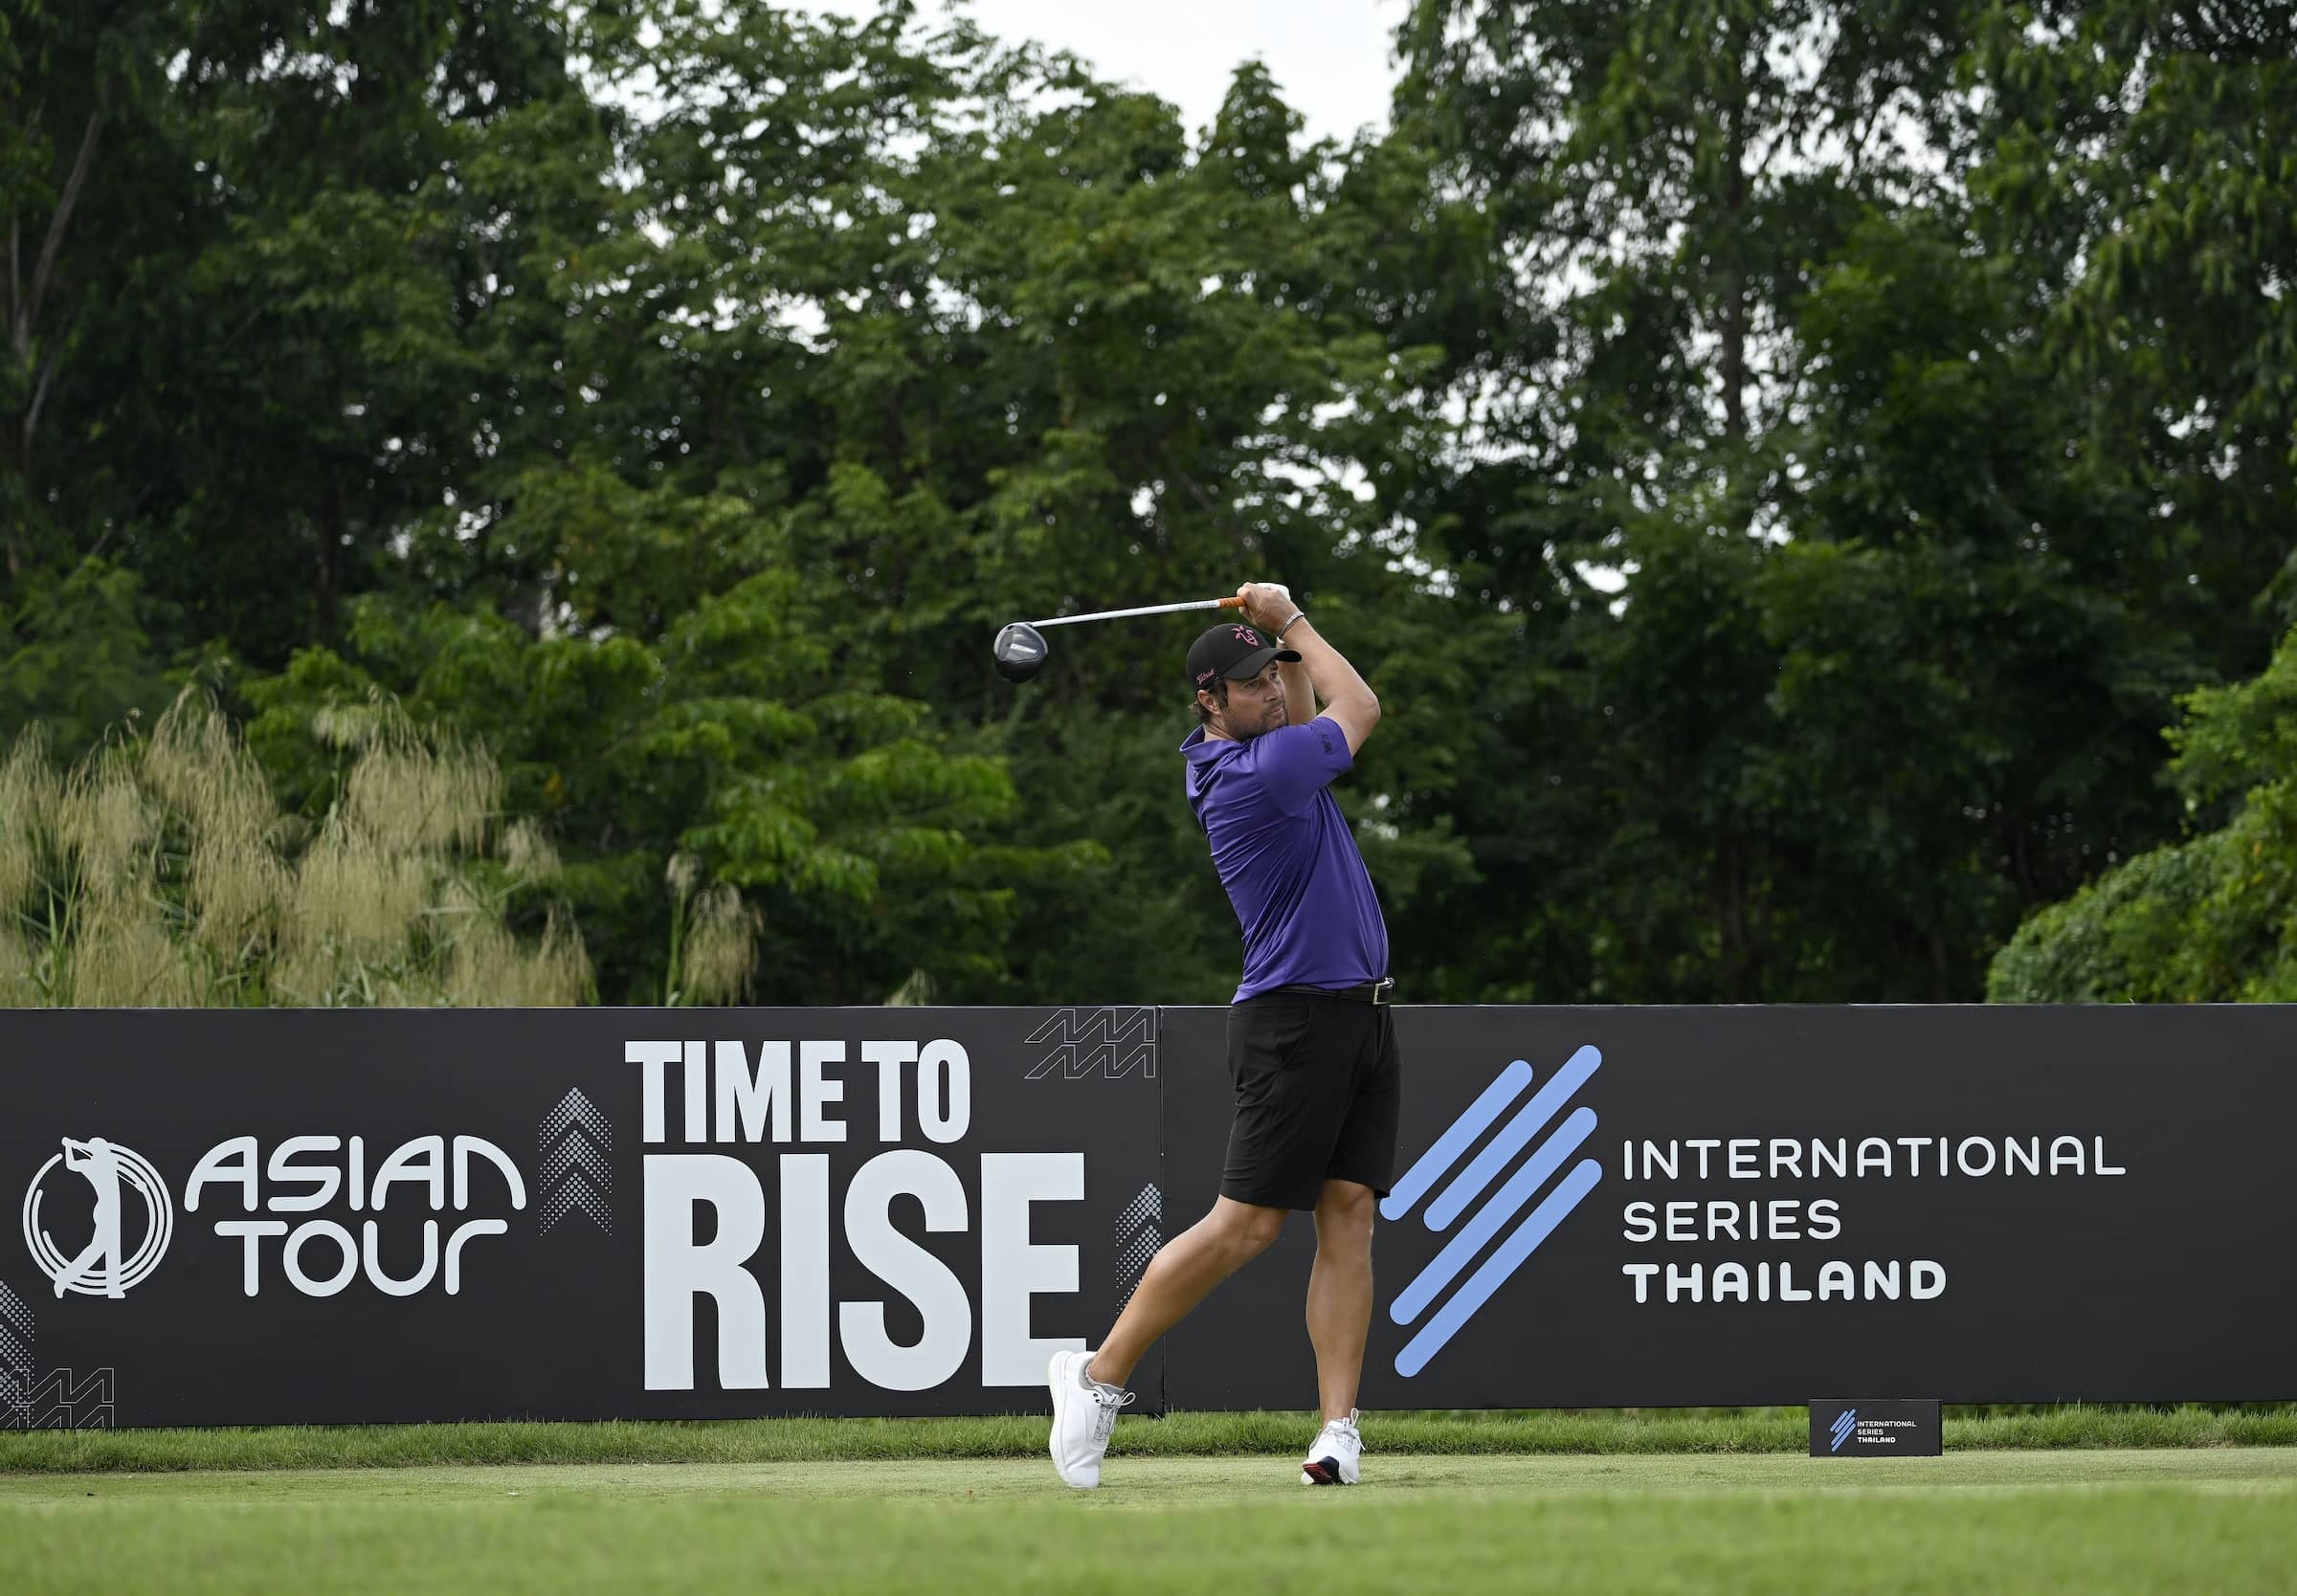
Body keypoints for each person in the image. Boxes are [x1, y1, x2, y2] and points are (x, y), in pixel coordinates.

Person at [1048, 580, 1397, 1489]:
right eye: (1253, 684)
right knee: (1245, 1226)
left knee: (1349, 1218)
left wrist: (1280, 640)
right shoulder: (1257, 774)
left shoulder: (1266, 747)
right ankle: (1096, 1377)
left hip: (1358, 1015)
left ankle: (1337, 1431)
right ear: (1209, 700)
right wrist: (1290, 622)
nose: (1275, 691)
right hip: (1292, 1021)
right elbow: (1360, 705)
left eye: (1275, 679)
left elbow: (1310, 700)